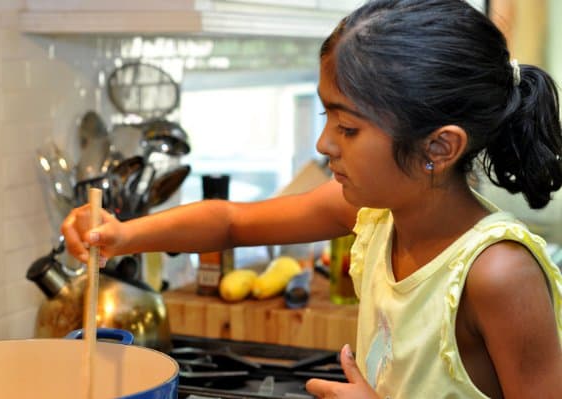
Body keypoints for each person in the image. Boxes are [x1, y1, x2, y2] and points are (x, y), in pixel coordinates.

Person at [62, 0, 562, 397]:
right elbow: (233, 223)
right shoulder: (373, 215)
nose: (324, 145)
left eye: (347, 127)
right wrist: (123, 235)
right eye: (328, 119)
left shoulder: (497, 272)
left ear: (439, 146)